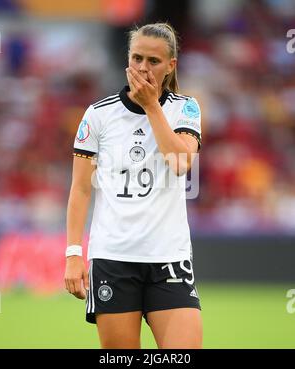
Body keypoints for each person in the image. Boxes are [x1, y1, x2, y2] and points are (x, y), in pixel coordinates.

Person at [64, 22, 203, 349]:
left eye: (153, 61)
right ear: (128, 58)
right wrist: (73, 253)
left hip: (168, 257)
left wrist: (152, 105)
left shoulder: (185, 108)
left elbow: (181, 163)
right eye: (137, 58)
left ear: (171, 66)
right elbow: (81, 189)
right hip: (113, 258)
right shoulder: (98, 115)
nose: (143, 68)